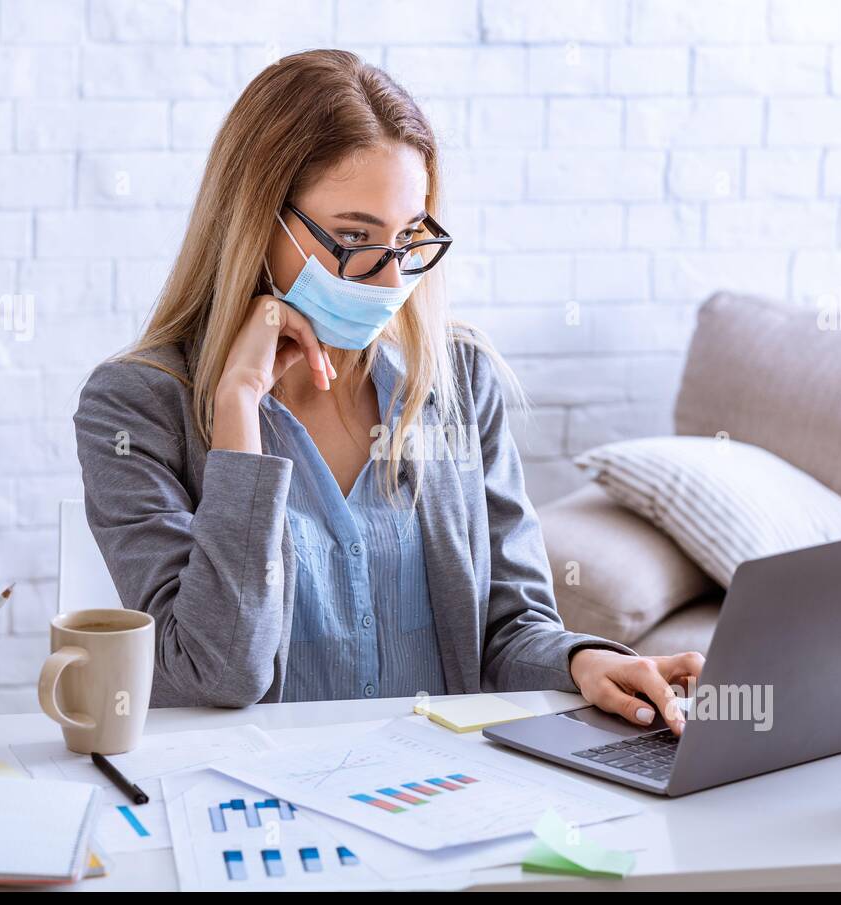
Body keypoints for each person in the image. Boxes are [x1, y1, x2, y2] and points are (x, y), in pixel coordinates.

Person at [74, 49, 703, 730]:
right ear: (258, 222)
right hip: (260, 806)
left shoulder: (458, 379)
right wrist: (239, 409)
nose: (389, 280)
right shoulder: (136, 406)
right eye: (354, 237)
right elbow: (215, 673)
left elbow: (509, 626)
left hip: (444, 793)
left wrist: (581, 660)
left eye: (408, 238)